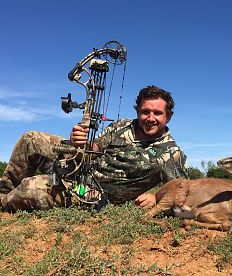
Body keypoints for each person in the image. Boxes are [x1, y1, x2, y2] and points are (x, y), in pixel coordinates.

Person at [0, 85, 188, 212]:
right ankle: (3, 191)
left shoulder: (172, 153)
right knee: (31, 139)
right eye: (145, 112)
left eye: (158, 113)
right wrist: (77, 142)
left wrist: (156, 196)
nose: (150, 118)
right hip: (80, 166)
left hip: (92, 192)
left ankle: (3, 204)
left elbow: (184, 190)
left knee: (31, 187)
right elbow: (95, 148)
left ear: (168, 117)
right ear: (138, 112)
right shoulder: (122, 125)